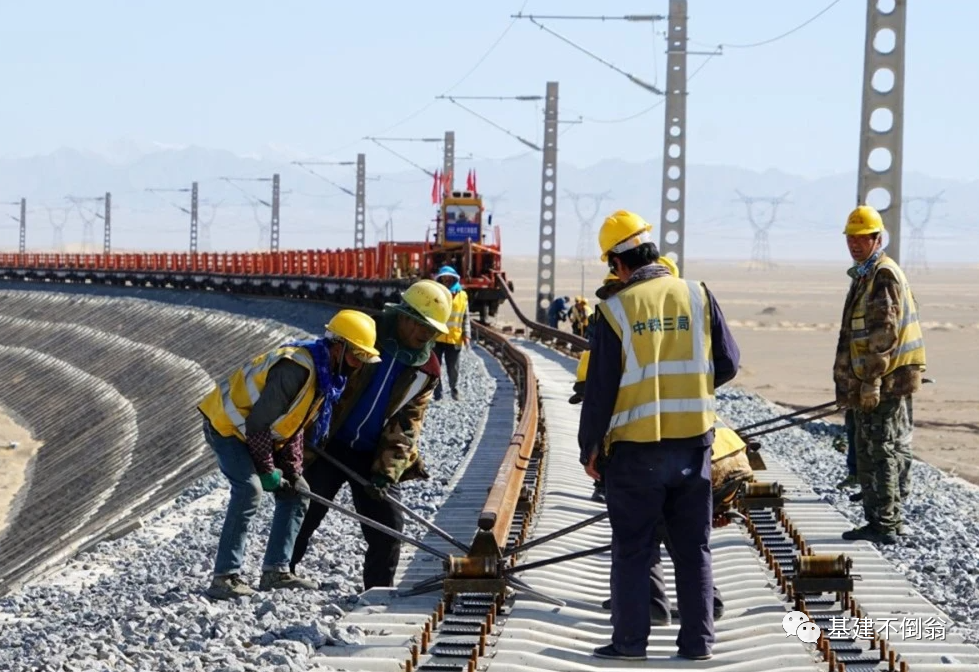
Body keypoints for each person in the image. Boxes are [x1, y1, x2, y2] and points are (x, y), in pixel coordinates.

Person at [579, 210, 740, 661]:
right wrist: (688, 391)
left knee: (634, 548)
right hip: (694, 444)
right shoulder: (698, 294)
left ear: (617, 262)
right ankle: (697, 645)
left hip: (635, 450)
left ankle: (630, 644)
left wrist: (589, 448)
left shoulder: (615, 309)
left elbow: (601, 389)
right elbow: (727, 363)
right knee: (693, 549)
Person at [197, 310, 382, 600]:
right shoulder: (297, 368)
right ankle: (224, 577)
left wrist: (293, 471)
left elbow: (293, 426)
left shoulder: (325, 375)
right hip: (227, 426)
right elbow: (258, 423)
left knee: (299, 491)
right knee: (249, 489)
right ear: (339, 346)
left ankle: (276, 571)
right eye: (356, 355)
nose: (358, 364)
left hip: (253, 431)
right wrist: (268, 469)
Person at [289, 279, 451, 590]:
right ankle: (279, 571)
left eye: (433, 330)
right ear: (405, 316)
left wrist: (387, 473)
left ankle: (378, 592)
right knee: (303, 511)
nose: (427, 335)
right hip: (328, 444)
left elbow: (409, 424)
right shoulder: (365, 335)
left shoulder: (426, 369)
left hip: (372, 455)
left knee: (389, 529)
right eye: (422, 326)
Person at [834, 205, 925, 545]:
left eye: (862, 239)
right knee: (879, 445)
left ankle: (884, 522)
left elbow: (882, 332)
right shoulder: (869, 273)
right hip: (883, 378)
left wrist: (871, 380)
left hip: (883, 380)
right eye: (851, 239)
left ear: (877, 238)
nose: (855, 245)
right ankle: (887, 516)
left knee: (878, 448)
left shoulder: (882, 275)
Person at [432, 265, 471, 401]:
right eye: (444, 278)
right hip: (436, 337)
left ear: (455, 279)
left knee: (453, 369)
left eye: (449, 278)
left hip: (454, 338)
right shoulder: (436, 294)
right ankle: (438, 394)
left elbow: (465, 317)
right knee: (436, 368)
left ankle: (454, 391)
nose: (447, 280)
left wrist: (467, 335)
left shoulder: (463, 296)